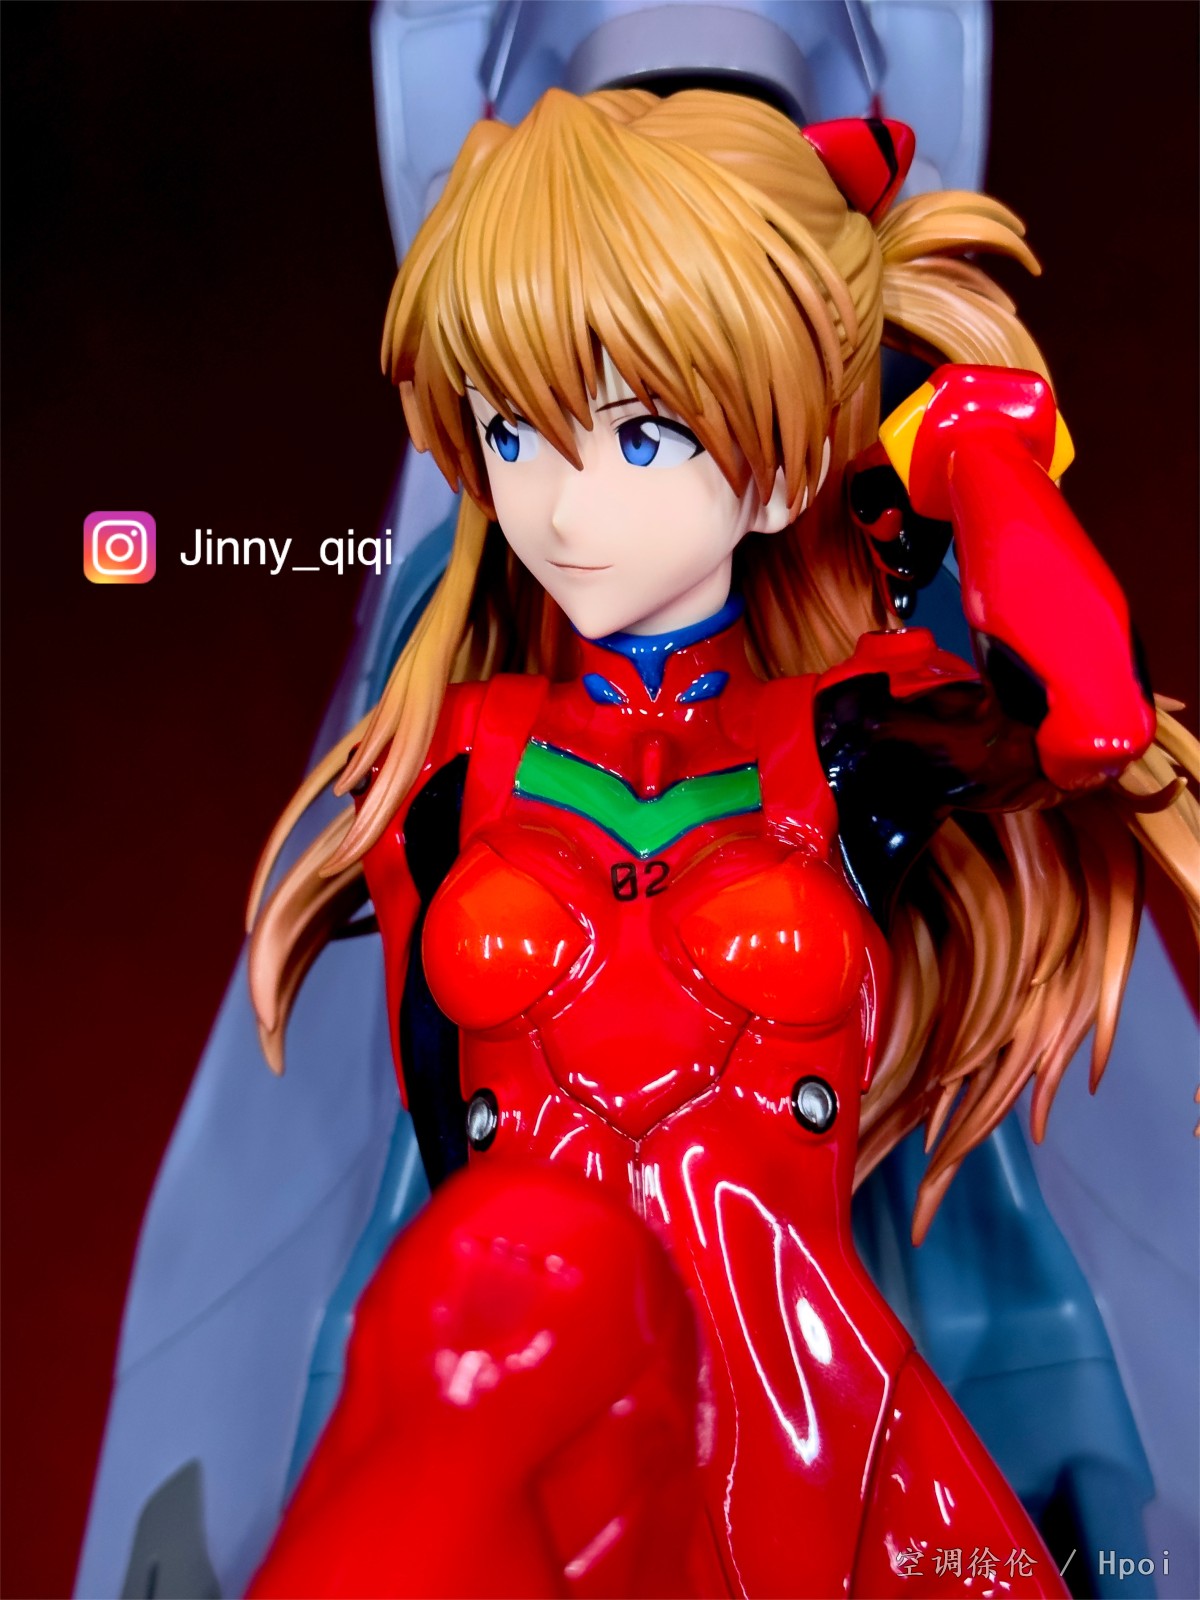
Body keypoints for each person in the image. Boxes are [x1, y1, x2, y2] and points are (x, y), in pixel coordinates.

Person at [247, 88, 1196, 1596]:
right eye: (512, 431)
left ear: (773, 468)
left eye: (640, 434)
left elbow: (1091, 719)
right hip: (531, 1408)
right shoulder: (449, 756)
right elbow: (434, 1140)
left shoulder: (842, 743)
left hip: (815, 1429)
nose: (562, 507)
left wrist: (977, 451)